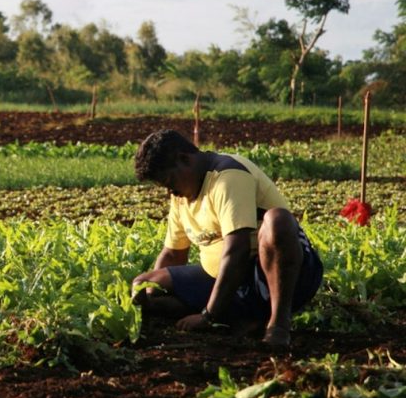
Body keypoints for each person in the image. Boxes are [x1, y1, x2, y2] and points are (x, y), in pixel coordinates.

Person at [130, 129, 323, 347]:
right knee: (145, 285)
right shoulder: (181, 196)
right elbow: (173, 253)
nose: (170, 192)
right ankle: (243, 318)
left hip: (270, 276)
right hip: (232, 283)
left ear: (184, 159)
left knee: (277, 220)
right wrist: (147, 296)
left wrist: (208, 315)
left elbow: (237, 251)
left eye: (169, 181)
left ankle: (277, 324)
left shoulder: (228, 176)